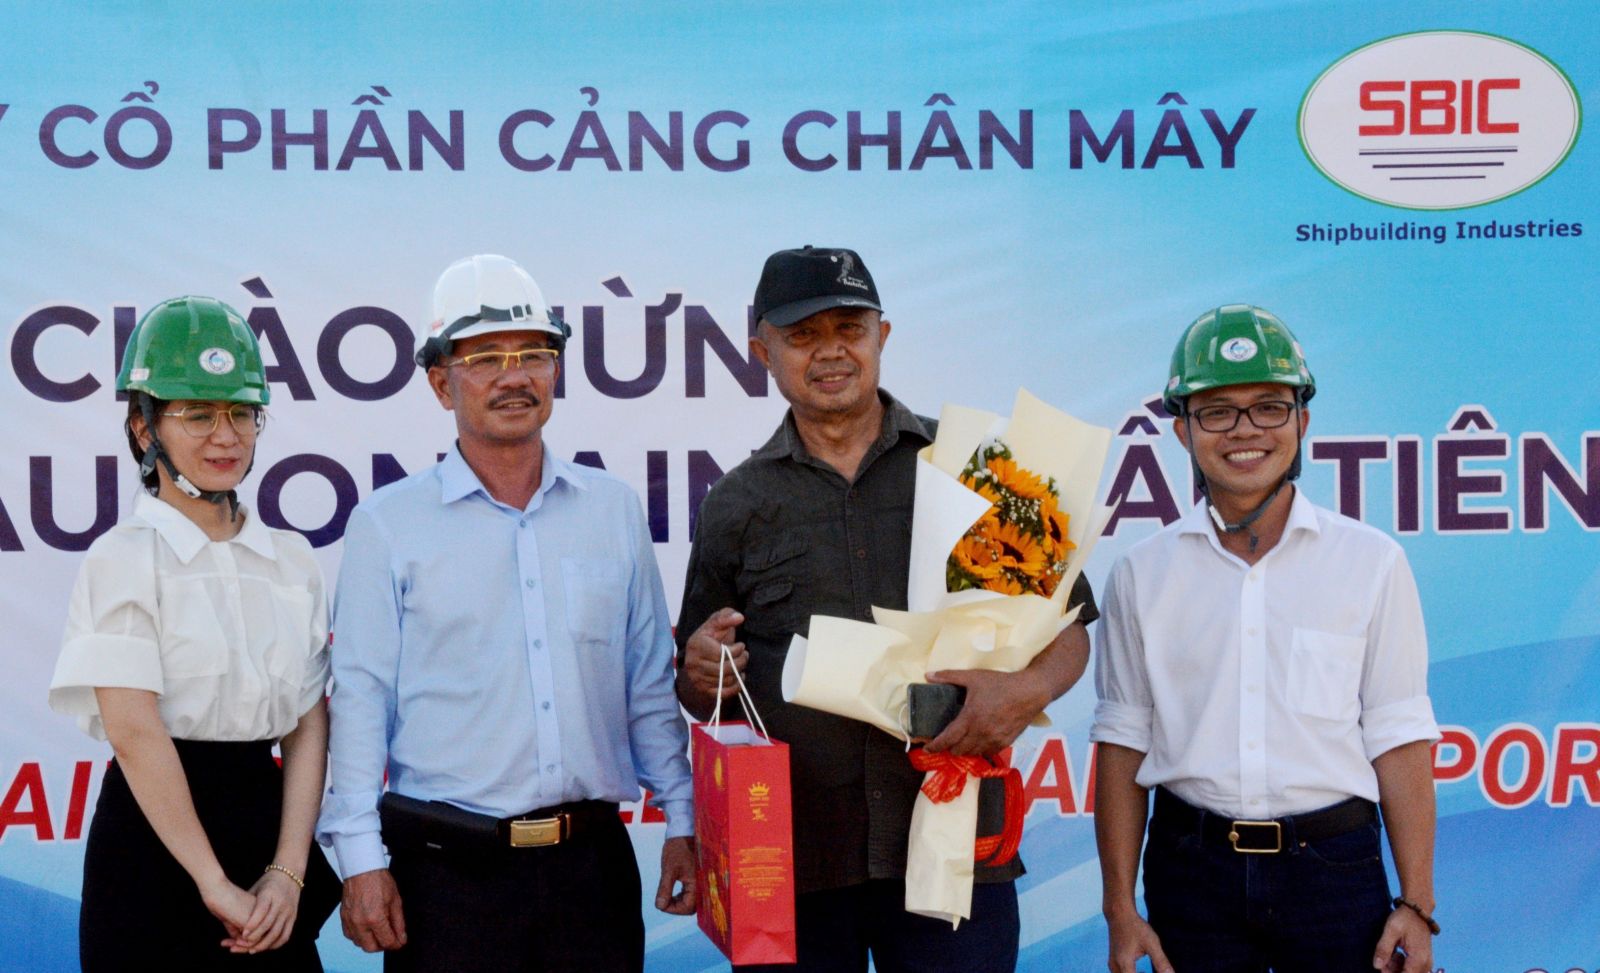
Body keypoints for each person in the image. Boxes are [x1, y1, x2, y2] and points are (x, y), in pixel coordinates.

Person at [676, 245, 1096, 972]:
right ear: (761, 351)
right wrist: (701, 666)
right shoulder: (736, 502)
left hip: (956, 845)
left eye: (849, 327)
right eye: (803, 335)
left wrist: (1022, 690)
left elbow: (1069, 629)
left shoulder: (972, 467)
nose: (831, 351)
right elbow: (698, 680)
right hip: (796, 862)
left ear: (883, 335)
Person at [316, 253, 696, 973]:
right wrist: (361, 859)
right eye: (485, 357)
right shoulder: (388, 524)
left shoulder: (610, 510)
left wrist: (683, 818)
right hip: (447, 880)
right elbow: (361, 702)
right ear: (440, 382)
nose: (514, 375)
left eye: (533, 354)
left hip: (592, 873)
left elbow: (648, 682)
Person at [1091, 305, 1440, 973]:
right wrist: (1119, 908)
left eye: (1269, 407)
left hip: (1335, 872)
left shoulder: (1371, 562)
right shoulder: (1142, 573)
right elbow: (1122, 739)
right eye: (1217, 410)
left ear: (1302, 420)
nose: (1245, 430)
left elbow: (1399, 736)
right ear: (1183, 429)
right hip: (1191, 871)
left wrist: (1417, 904)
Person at [49, 296, 338, 970]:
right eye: (198, 415)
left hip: (267, 834)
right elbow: (135, 730)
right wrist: (212, 882)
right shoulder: (123, 556)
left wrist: (289, 871)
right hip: (154, 843)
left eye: (240, 413)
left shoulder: (291, 559)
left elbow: (307, 722)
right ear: (146, 429)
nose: (225, 436)